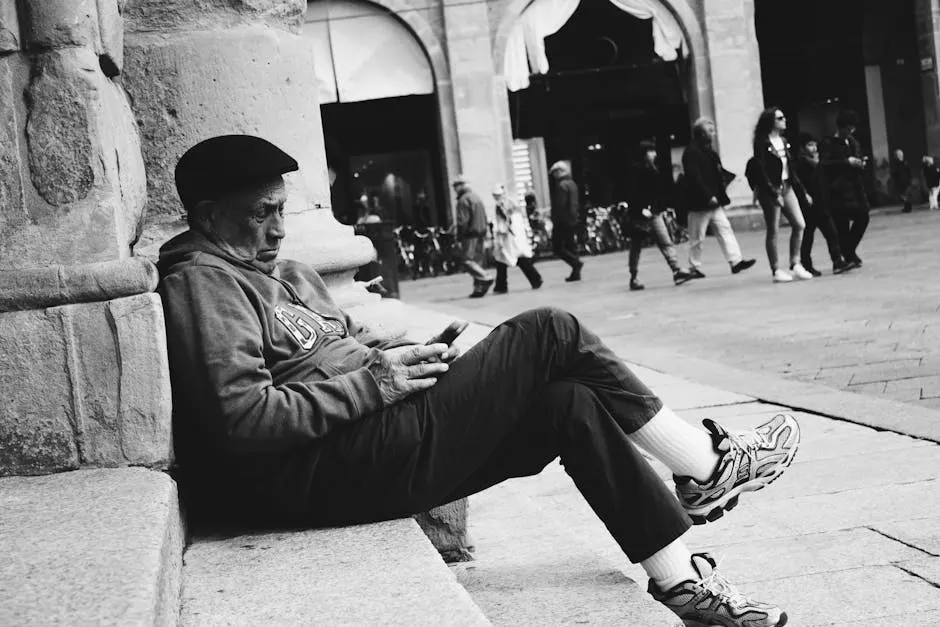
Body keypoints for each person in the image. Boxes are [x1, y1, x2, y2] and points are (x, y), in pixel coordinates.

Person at [159, 135, 800, 627]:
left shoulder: (287, 271)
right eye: (259, 214)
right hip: (318, 473)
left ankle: (676, 577)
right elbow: (241, 420)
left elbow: (347, 345)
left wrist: (412, 358)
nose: (276, 229)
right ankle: (706, 464)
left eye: (280, 211)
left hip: (374, 440)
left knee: (566, 400)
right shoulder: (204, 281)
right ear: (209, 215)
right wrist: (374, 385)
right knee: (549, 329)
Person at [681, 118, 757, 279]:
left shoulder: (707, 150)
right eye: (710, 130)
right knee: (697, 236)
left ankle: (735, 261)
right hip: (701, 203)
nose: (713, 133)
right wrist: (708, 196)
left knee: (725, 229)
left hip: (713, 202)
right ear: (701, 133)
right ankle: (694, 267)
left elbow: (715, 173)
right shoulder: (692, 152)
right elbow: (694, 178)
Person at [749, 108, 813, 283]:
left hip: (787, 186)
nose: (784, 120)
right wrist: (771, 192)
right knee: (773, 229)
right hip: (771, 189)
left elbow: (790, 169)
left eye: (784, 117)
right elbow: (760, 170)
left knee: (800, 224)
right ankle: (776, 269)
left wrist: (803, 192)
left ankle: (795, 263)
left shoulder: (783, 141)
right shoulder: (761, 142)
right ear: (771, 121)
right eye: (780, 118)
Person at [626, 141, 694, 290]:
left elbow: (656, 193)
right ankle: (634, 276)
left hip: (654, 213)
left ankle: (676, 270)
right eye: (650, 151)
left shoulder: (653, 170)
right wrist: (640, 209)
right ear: (644, 154)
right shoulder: (636, 171)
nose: (654, 154)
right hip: (640, 215)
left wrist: (659, 206)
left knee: (665, 241)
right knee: (636, 247)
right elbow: (632, 193)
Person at [794, 133, 854, 276]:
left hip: (821, 203)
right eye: (810, 145)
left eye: (814, 144)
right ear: (803, 147)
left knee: (831, 233)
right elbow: (800, 183)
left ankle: (837, 261)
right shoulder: (801, 163)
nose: (813, 148)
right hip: (810, 205)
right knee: (808, 236)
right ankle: (807, 264)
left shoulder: (817, 161)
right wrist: (805, 196)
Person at [821, 110, 870, 268]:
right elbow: (824, 165)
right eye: (848, 129)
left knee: (863, 217)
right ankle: (848, 255)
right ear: (841, 128)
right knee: (841, 225)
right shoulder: (829, 143)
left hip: (856, 189)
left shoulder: (854, 142)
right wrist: (846, 161)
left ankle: (848, 251)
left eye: (852, 129)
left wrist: (861, 163)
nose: (850, 132)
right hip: (838, 191)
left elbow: (858, 158)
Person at [491, 184, 542, 293]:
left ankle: (501, 285)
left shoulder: (501, 205)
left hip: (508, 237)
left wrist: (500, 235)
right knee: (511, 259)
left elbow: (505, 223)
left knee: (505, 259)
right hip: (516, 236)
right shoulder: (511, 202)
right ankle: (534, 278)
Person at [452, 175, 495, 298]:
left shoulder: (463, 200)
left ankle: (485, 277)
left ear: (460, 186)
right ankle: (479, 289)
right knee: (477, 262)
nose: (454, 189)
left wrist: (459, 237)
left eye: (455, 186)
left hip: (470, 235)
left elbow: (462, 221)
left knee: (467, 261)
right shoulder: (476, 197)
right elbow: (484, 217)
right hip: (481, 233)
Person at [549, 161, 584, 282]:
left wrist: (554, 219)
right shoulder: (572, 184)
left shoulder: (561, 185)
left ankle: (576, 263)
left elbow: (560, 205)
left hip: (562, 220)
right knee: (571, 246)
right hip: (573, 218)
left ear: (559, 172)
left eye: (555, 173)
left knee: (557, 247)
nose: (554, 175)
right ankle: (576, 272)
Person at [890, 149, 913, 214]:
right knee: (904, 194)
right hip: (904, 180)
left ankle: (907, 207)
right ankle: (908, 207)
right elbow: (908, 171)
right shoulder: (904, 162)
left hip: (902, 181)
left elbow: (895, 172)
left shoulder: (898, 163)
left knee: (904, 194)